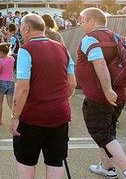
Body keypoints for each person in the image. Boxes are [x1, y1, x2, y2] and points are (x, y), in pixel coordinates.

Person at [76, 8, 126, 179]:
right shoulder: (119, 37)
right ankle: (107, 167)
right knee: (107, 132)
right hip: (120, 95)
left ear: (93, 21)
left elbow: (99, 63)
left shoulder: (89, 39)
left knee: (102, 133)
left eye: (83, 20)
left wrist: (107, 89)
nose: (81, 23)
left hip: (99, 96)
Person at [10, 13, 76, 179]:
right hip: (59, 115)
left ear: (26, 28)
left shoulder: (26, 50)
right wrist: (59, 101)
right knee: (55, 161)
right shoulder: (62, 48)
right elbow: (72, 83)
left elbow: (22, 87)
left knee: (26, 160)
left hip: (32, 117)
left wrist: (14, 116)